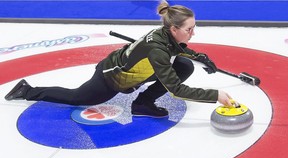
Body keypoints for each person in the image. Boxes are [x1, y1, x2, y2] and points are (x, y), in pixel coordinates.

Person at [5, 1, 232, 118]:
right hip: (112, 77)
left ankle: (142, 103)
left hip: (137, 70)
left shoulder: (165, 35)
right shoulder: (157, 50)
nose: (193, 33)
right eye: (190, 29)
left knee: (184, 64)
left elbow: (176, 48)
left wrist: (200, 56)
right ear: (173, 28)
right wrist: (216, 95)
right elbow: (176, 90)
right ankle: (27, 90)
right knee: (77, 97)